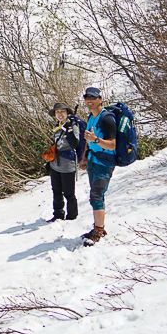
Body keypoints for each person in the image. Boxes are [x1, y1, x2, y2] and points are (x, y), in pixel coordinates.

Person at [79, 86, 116, 245]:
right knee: (96, 195)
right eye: (88, 98)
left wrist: (96, 140)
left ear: (100, 99)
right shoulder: (90, 117)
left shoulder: (106, 119)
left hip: (104, 162)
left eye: (93, 98)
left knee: (96, 196)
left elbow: (112, 145)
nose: (90, 101)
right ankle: (99, 227)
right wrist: (84, 157)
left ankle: (98, 230)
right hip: (93, 161)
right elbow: (88, 138)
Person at [45, 103, 85, 222]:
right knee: (56, 190)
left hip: (68, 164)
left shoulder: (73, 125)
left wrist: (69, 130)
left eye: (62, 111)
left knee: (69, 192)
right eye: (57, 112)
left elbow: (75, 144)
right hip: (55, 163)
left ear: (67, 113)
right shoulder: (57, 125)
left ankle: (72, 216)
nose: (60, 114)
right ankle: (58, 214)